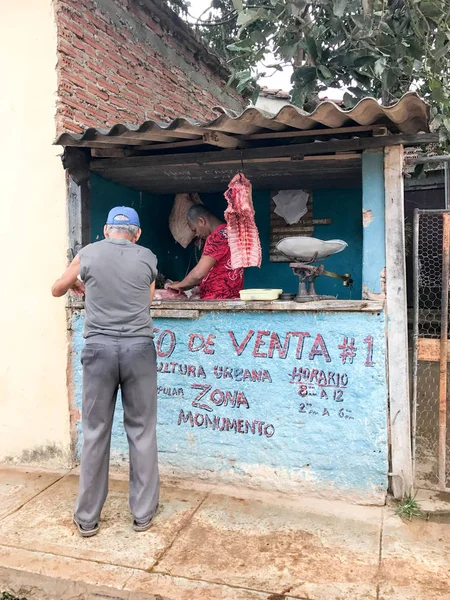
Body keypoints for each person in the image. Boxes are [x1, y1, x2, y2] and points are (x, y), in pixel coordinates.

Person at [51, 207, 159, 537]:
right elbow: (148, 299)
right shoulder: (148, 258)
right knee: (142, 431)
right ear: (136, 234)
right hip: (139, 349)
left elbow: (57, 289)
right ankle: (142, 515)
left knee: (95, 431)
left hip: (99, 350)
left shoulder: (88, 254)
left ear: (106, 229)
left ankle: (87, 519)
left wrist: (80, 286)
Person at [167, 205, 244, 299]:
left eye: (195, 230)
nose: (197, 234)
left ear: (201, 221)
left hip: (216, 299)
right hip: (232, 297)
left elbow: (198, 274)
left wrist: (179, 285)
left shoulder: (216, 237)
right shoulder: (232, 233)